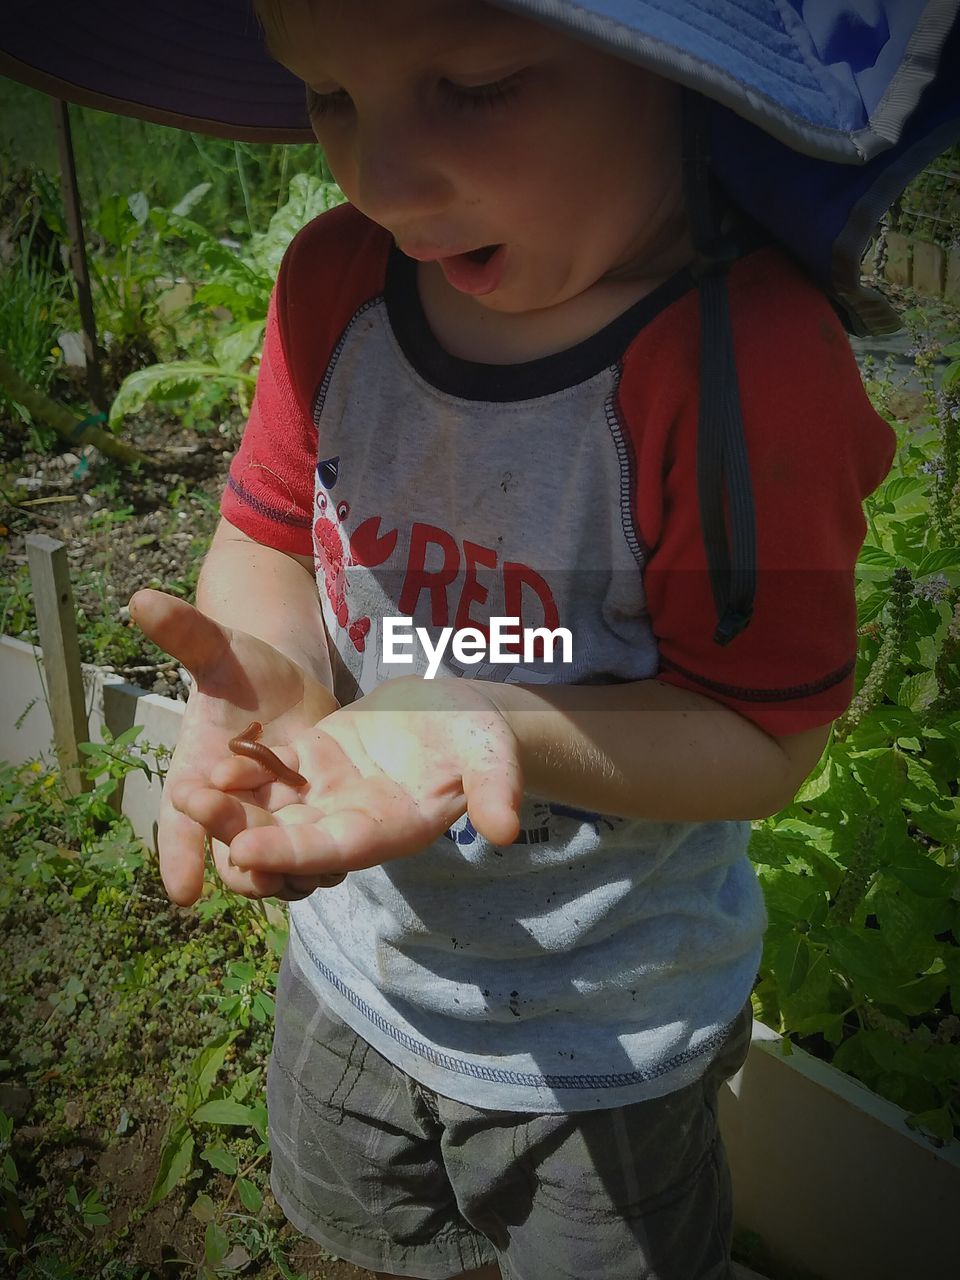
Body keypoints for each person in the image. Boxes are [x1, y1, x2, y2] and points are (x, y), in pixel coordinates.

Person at [129, 0, 896, 1275]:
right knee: (368, 1233)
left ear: (682, 76)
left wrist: (497, 724)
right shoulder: (336, 285)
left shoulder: (743, 365)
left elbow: (765, 732)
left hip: (610, 1027)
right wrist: (279, 659)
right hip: (358, 958)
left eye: (476, 85)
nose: (377, 176)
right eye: (330, 97)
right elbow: (268, 533)